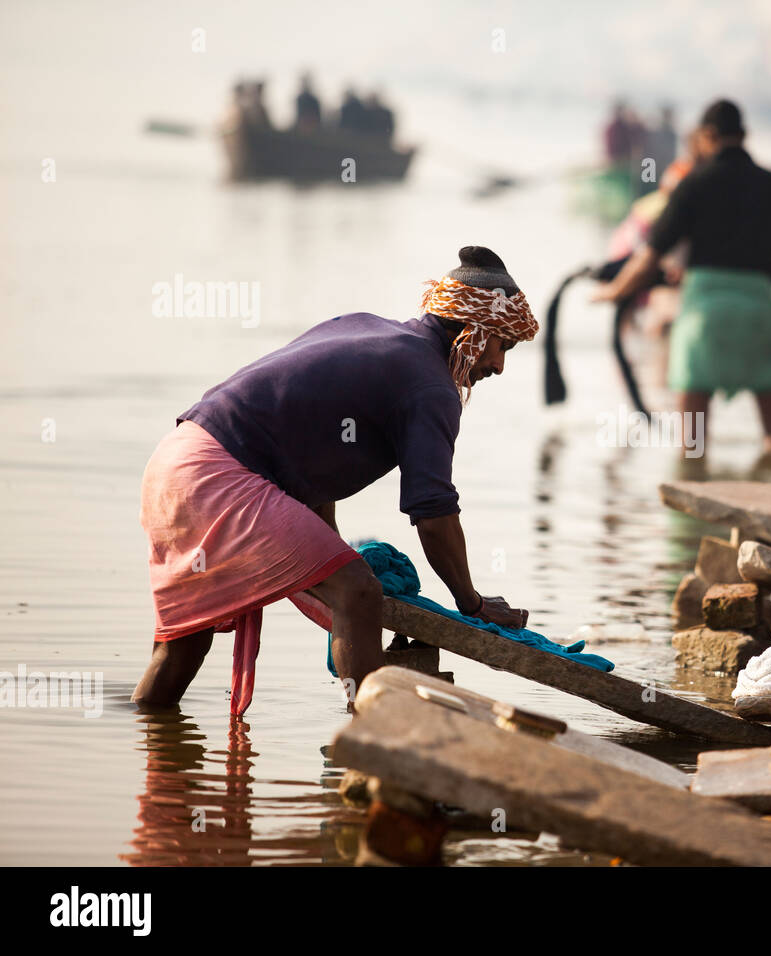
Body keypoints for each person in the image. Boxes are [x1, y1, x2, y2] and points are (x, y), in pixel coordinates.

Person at [133, 247, 537, 712]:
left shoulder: (366, 327)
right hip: (220, 473)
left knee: (184, 645)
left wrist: (331, 554)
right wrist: (472, 602)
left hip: (175, 460)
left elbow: (305, 452)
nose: (499, 366)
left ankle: (150, 745)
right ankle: (370, 738)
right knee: (358, 592)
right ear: (475, 332)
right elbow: (433, 512)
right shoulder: (430, 386)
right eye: (502, 346)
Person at [593, 99, 771, 457]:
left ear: (706, 136)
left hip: (705, 312)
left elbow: (649, 257)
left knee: (694, 444)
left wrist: (613, 291)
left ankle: (691, 508)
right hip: (759, 309)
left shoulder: (693, 183)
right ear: (744, 135)